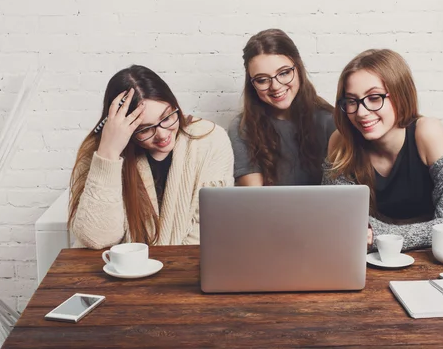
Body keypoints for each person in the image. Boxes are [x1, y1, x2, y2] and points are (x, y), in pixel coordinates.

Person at [323, 49, 443, 250]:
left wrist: (380, 235)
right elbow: (339, 221)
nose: (361, 113)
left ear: (400, 95)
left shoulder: (428, 133)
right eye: (352, 101)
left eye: (374, 97)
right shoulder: (341, 141)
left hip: (432, 256)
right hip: (374, 260)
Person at [68, 65, 234, 249]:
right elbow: (96, 238)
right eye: (145, 129)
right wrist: (109, 154)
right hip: (121, 271)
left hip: (187, 266)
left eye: (167, 117)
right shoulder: (100, 151)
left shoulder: (210, 139)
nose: (162, 135)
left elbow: (212, 227)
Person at [228, 29, 336, 186]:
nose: (276, 86)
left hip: (325, 210)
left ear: (298, 68)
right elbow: (253, 199)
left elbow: (341, 190)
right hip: (267, 211)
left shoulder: (329, 119)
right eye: (262, 80)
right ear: (252, 84)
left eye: (284, 73)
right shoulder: (242, 128)